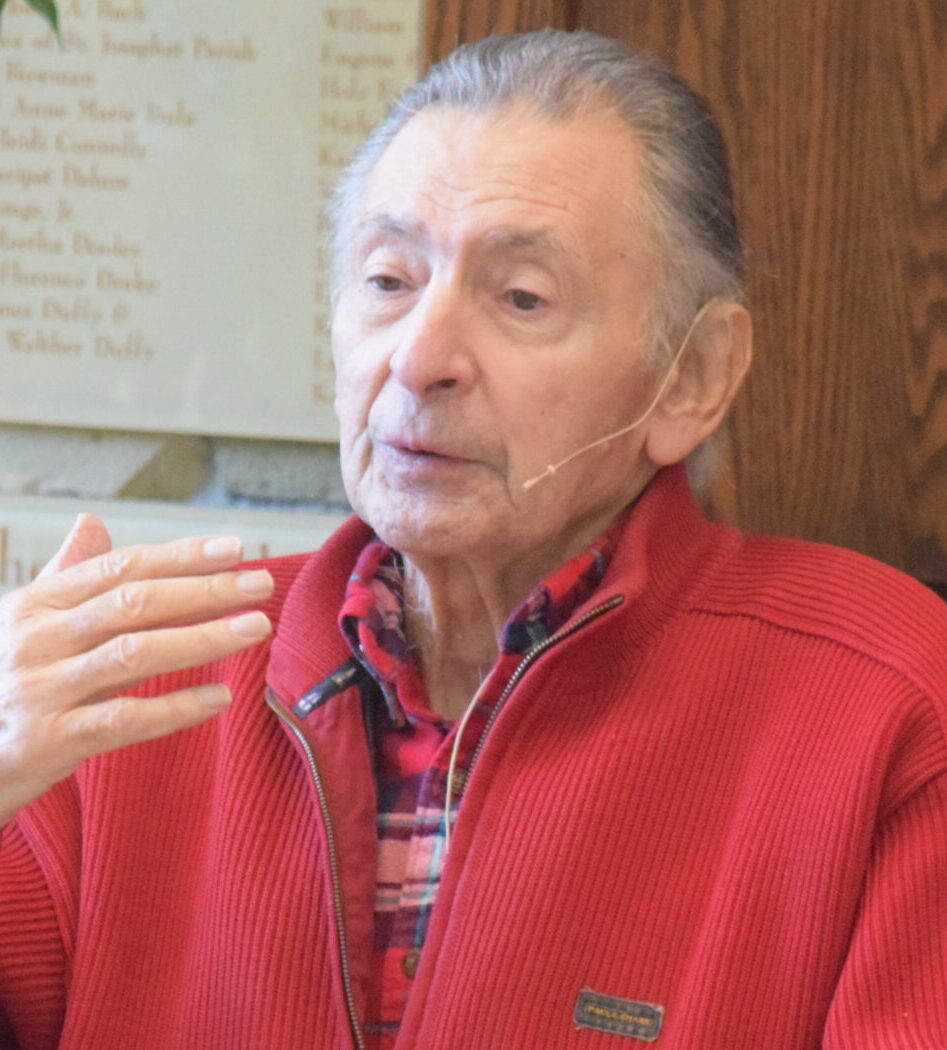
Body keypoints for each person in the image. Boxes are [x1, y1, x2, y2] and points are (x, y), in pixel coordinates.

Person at [1, 28, 945, 1050]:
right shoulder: (135, 687)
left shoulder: (883, 702)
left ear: (691, 376)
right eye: (387, 282)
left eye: (520, 298)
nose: (419, 359)